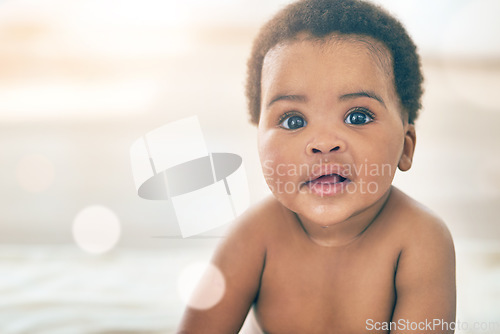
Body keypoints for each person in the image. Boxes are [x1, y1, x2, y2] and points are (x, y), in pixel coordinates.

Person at [178, 0, 456, 332]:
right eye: (293, 120)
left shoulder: (420, 239)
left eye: (358, 116)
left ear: (405, 148)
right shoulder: (252, 238)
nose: (324, 142)